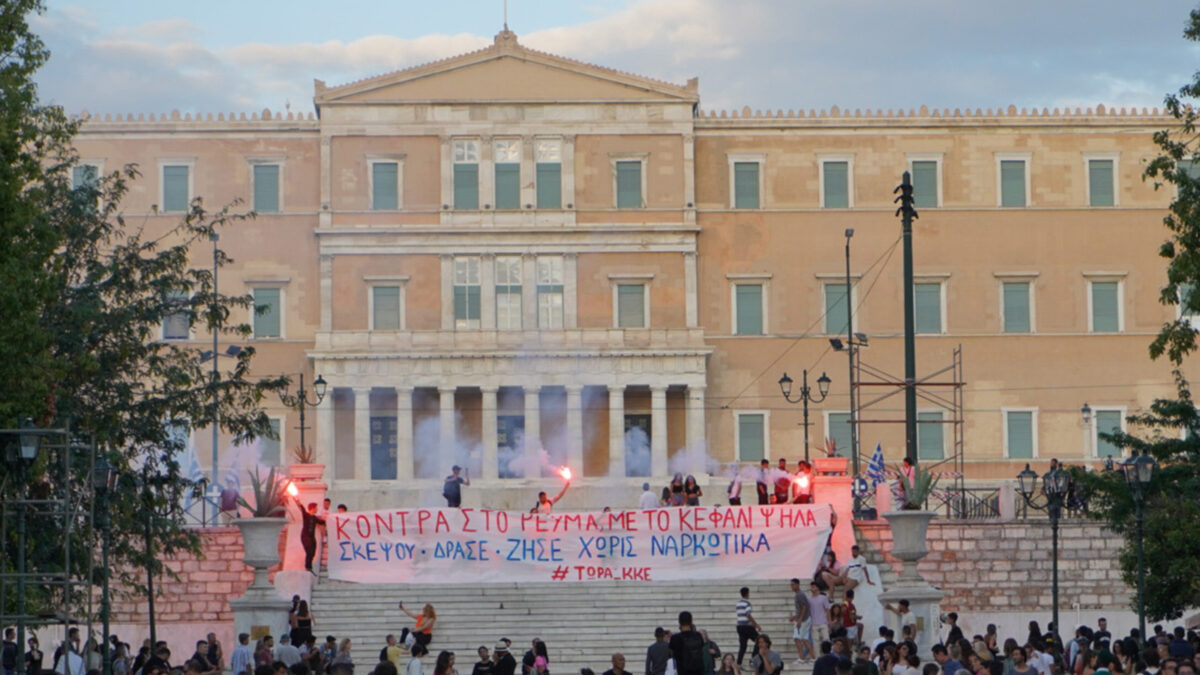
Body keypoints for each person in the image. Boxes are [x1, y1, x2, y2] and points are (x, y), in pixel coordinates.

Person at [295, 500, 325, 572]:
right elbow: (302, 509)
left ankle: (309, 566)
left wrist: (329, 519)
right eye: (316, 508)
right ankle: (308, 567)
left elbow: (322, 522)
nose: (317, 509)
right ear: (313, 508)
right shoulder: (306, 515)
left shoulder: (314, 518)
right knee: (309, 552)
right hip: (305, 537)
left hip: (312, 537)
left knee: (313, 552)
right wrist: (298, 502)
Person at [789, 578, 813, 664]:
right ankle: (807, 657)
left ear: (798, 584)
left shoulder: (800, 594)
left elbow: (804, 607)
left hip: (803, 620)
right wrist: (795, 617)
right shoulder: (798, 595)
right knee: (802, 639)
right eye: (791, 585)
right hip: (801, 619)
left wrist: (799, 619)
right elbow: (800, 608)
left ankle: (804, 658)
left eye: (793, 584)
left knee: (800, 639)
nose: (791, 586)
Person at [735, 587, 761, 667]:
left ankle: (739, 663)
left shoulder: (738, 604)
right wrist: (756, 625)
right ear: (747, 593)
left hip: (740, 626)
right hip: (747, 626)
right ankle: (753, 659)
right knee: (759, 641)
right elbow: (748, 614)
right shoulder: (747, 603)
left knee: (743, 646)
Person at [808, 583, 832, 647]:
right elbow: (808, 611)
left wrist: (829, 621)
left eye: (814, 587)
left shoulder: (823, 598)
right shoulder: (809, 599)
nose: (812, 588)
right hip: (813, 623)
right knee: (815, 642)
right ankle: (817, 656)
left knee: (826, 639)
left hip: (823, 622)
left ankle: (828, 655)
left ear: (817, 588)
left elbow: (827, 609)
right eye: (811, 587)